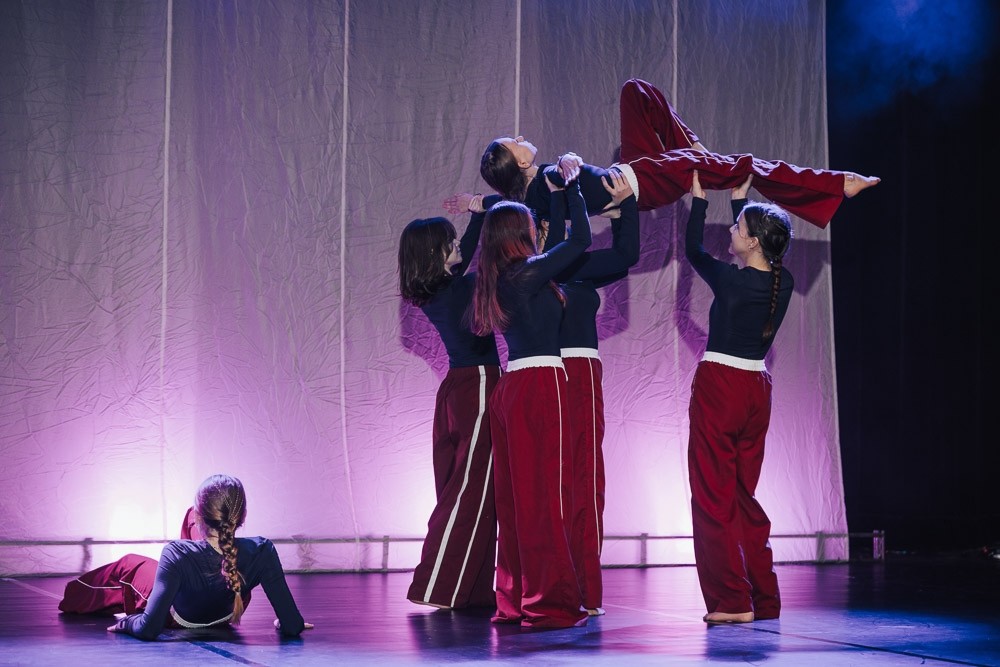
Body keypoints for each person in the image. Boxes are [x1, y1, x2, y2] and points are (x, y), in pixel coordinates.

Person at [479, 78, 879, 229]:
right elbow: (561, 175)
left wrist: (479, 202)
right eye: (515, 140)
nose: (521, 136)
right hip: (647, 181)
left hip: (634, 169)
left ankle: (696, 150)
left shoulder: (529, 196)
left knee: (635, 91)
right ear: (523, 162)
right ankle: (837, 184)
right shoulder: (548, 177)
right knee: (745, 168)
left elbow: (507, 200)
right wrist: (568, 162)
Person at [469, 173, 592, 629]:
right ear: (517, 235)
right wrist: (573, 187)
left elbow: (558, 247)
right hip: (541, 384)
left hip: (513, 387)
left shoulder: (502, 278)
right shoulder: (525, 274)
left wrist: (558, 197)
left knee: (518, 499)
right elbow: (579, 241)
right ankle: (549, 604)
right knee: (547, 497)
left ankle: (517, 598)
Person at [684, 171, 792, 624]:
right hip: (756, 389)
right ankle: (763, 598)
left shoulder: (732, 282)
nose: (731, 231)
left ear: (752, 242)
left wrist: (698, 202)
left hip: (721, 387)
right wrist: (740, 202)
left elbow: (694, 251)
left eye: (737, 227)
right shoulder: (782, 282)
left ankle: (732, 600)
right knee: (742, 495)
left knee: (713, 494)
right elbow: (755, 252)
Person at [538, 169, 639, 616]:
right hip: (554, 374)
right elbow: (576, 240)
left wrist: (624, 208)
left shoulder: (573, 269)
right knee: (558, 479)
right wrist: (570, 192)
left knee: (583, 477)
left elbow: (625, 256)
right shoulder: (535, 270)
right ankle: (555, 582)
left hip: (581, 373)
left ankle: (581, 581)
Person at [398, 195, 503, 610]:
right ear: (436, 254)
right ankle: (438, 587)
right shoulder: (460, 290)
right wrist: (490, 210)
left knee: (466, 488)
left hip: (459, 389)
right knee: (469, 491)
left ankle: (470, 589)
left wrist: (477, 213)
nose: (458, 243)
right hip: (479, 386)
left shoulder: (439, 291)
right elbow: (485, 258)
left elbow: (466, 252)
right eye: (450, 241)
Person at [58, 474, 310, 640]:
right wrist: (285, 622)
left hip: (178, 618)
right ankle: (193, 564)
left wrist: (126, 623)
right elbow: (293, 625)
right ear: (243, 516)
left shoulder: (175, 552)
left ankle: (71, 595)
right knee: (192, 519)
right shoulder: (264, 549)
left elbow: (149, 628)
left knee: (129, 563)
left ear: (202, 518)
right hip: (229, 607)